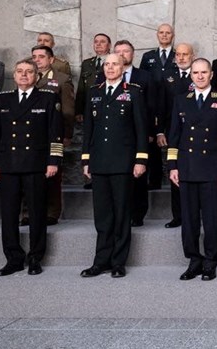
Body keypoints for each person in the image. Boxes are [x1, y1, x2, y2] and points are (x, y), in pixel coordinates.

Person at [0, 59, 62, 276]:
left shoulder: (48, 98)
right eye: (19, 71)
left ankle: (36, 257)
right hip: (8, 164)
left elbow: (54, 133)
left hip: (36, 165)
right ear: (14, 76)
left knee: (37, 213)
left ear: (37, 76)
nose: (24, 75)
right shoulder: (3, 100)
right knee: (9, 215)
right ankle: (13, 258)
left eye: (29, 72)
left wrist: (53, 161)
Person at [167, 58, 217, 281]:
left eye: (203, 72)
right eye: (195, 72)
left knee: (211, 219)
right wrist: (172, 166)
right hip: (186, 168)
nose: (199, 76)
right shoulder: (181, 101)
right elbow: (174, 137)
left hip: (212, 169)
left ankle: (210, 261)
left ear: (211, 75)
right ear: (191, 75)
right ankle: (193, 260)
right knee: (188, 220)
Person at [81, 54, 149, 278]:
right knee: (102, 216)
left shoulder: (134, 92)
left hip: (123, 162)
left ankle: (118, 262)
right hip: (99, 162)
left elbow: (141, 129)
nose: (110, 68)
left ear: (123, 67)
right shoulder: (94, 92)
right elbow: (88, 130)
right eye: (107, 64)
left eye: (115, 64)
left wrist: (140, 159)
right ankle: (101, 261)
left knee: (121, 215)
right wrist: (86, 159)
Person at [111, 40, 159, 226]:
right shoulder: (102, 77)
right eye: (118, 52)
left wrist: (149, 132)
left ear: (133, 54)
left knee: (138, 176)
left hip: (138, 134)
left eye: (126, 51)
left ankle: (137, 214)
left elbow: (151, 106)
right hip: (115, 137)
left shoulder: (145, 77)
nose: (122, 55)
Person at [31, 44, 74, 225]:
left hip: (52, 134)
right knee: (29, 174)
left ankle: (52, 212)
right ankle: (28, 212)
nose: (37, 60)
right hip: (31, 135)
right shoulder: (27, 77)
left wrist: (67, 135)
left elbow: (68, 110)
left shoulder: (61, 79)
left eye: (41, 56)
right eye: (34, 56)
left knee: (53, 175)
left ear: (50, 59)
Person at [158, 42, 195, 229]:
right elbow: (162, 105)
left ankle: (194, 215)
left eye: (185, 54)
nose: (181, 57)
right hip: (174, 133)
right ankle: (177, 216)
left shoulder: (199, 75)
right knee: (175, 174)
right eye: (178, 54)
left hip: (195, 133)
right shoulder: (168, 76)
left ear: (192, 56)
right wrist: (160, 131)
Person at [138, 23, 177, 189]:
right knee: (153, 143)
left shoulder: (178, 55)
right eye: (161, 32)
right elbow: (141, 79)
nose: (164, 35)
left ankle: (174, 176)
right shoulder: (148, 56)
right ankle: (154, 181)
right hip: (153, 104)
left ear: (172, 35)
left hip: (173, 104)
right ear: (157, 35)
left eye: (168, 33)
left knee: (173, 141)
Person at [76, 32, 112, 123]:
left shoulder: (114, 62)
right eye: (96, 42)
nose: (98, 44)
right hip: (89, 107)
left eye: (102, 42)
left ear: (109, 45)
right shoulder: (87, 63)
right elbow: (81, 89)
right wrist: (79, 110)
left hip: (107, 107)